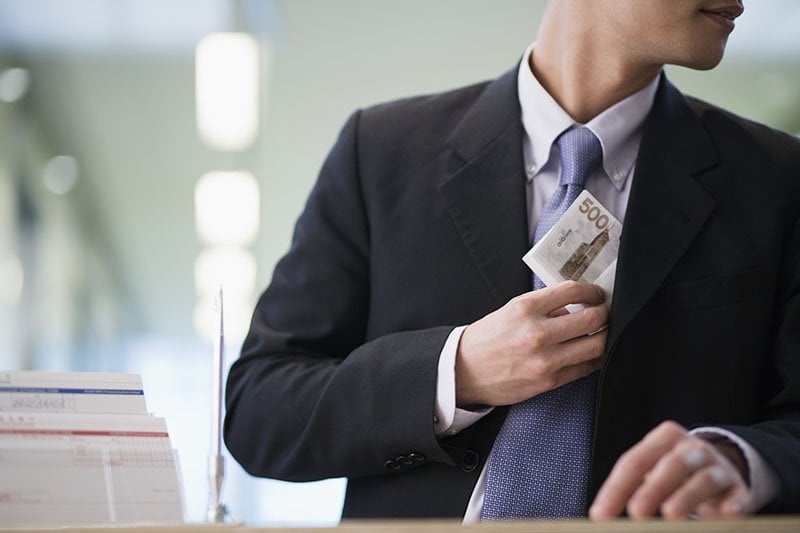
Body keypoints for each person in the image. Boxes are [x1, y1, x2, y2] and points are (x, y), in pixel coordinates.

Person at [224, 0, 800, 521]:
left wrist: (746, 460)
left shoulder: (776, 180)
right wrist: (455, 373)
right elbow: (260, 409)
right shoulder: (378, 153)